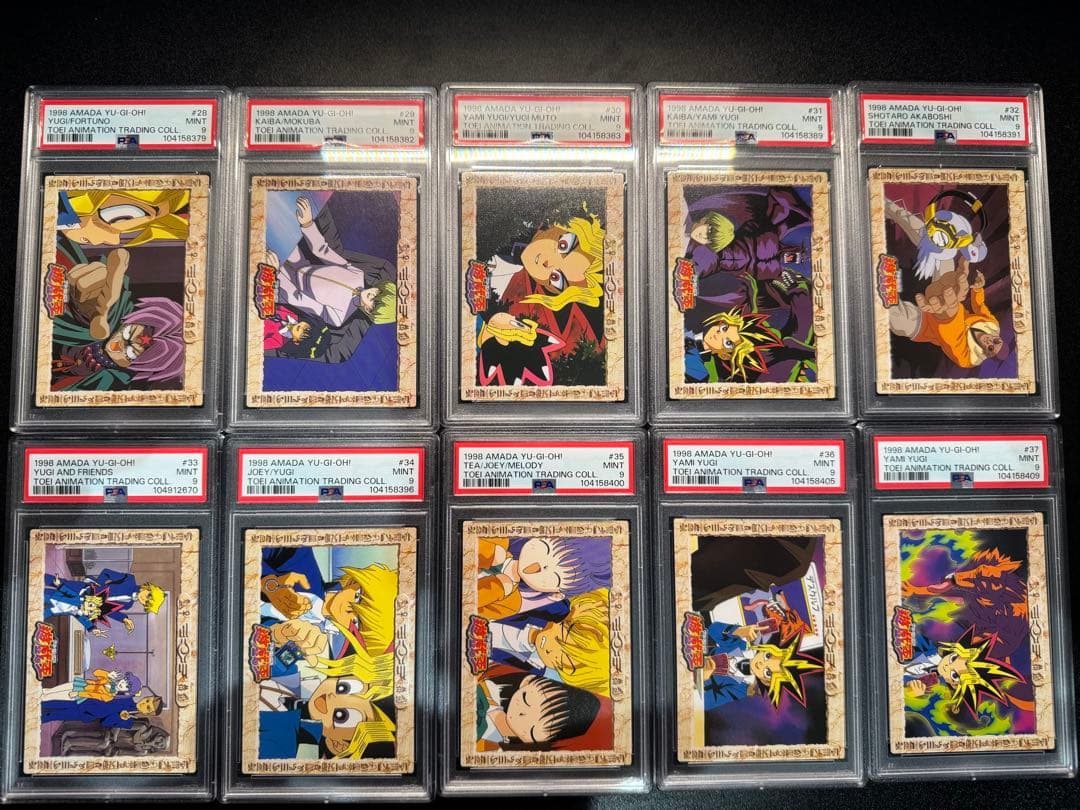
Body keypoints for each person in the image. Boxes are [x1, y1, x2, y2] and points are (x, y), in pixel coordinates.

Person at [882, 257, 1006, 369]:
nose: (990, 342)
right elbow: (980, 307)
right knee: (945, 257)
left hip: (926, 326)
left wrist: (951, 310)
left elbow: (952, 339)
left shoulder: (967, 359)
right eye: (996, 341)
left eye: (991, 348)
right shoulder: (992, 325)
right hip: (944, 298)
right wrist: (978, 289)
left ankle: (887, 276)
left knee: (896, 320)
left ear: (987, 354)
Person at [483, 589, 611, 695]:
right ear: (570, 617)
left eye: (561, 662)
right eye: (561, 638)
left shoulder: (532, 675)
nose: (551, 650)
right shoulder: (550, 606)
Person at [477, 536, 612, 620]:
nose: (540, 566)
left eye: (555, 577)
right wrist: (490, 554)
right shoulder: (499, 539)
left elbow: (468, 611)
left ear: (557, 595)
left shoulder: (511, 604)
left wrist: (498, 587)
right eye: (546, 548)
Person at [698, 622, 822, 709]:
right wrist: (737, 631)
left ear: (766, 682)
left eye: (768, 672)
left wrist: (702, 678)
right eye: (767, 656)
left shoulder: (741, 688)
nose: (762, 663)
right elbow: (713, 629)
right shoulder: (741, 646)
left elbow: (704, 703)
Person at [44, 569, 166, 637]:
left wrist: (124, 619)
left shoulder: (128, 605)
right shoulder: (129, 580)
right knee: (60, 584)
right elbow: (107, 573)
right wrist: (99, 585)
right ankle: (37, 578)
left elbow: (110, 611)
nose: (144, 599)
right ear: (148, 588)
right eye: (148, 596)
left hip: (86, 605)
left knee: (59, 603)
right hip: (87, 590)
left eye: (147, 603)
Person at [42, 694, 163, 729]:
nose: (144, 704)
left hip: (86, 714)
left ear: (147, 714)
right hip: (87, 701)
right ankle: (36, 706)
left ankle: (36, 720)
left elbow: (105, 723)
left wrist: (120, 717)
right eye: (147, 700)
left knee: (55, 715)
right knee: (55, 704)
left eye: (148, 708)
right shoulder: (127, 696)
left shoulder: (128, 722)